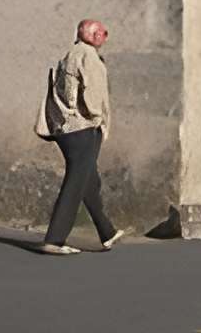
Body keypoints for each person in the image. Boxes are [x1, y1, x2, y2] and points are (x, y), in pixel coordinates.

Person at [36, 18, 124, 255]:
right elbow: (93, 93)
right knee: (76, 182)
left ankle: (107, 232)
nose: (105, 37)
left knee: (88, 180)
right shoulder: (88, 57)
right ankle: (54, 239)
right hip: (82, 128)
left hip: (66, 128)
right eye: (104, 33)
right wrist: (97, 118)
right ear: (95, 35)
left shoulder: (70, 55)